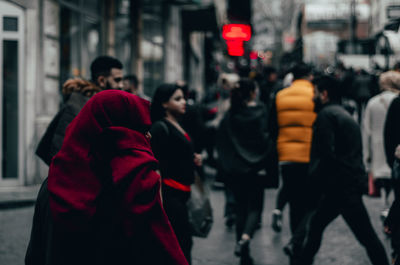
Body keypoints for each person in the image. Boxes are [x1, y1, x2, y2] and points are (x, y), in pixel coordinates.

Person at [26, 90, 188, 265]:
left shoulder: (53, 182)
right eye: (141, 129)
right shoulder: (133, 184)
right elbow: (157, 250)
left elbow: (36, 252)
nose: (148, 136)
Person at [295, 75, 389, 265]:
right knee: (316, 227)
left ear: (324, 94)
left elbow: (327, 155)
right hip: (344, 186)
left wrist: (316, 182)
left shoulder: (326, 117)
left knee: (366, 236)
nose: (312, 97)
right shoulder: (343, 114)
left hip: (342, 188)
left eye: (315, 93)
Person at [216, 79, 275, 265]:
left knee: (240, 208)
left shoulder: (231, 114)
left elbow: (221, 140)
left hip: (236, 169)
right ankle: (246, 239)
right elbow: (269, 137)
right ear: (253, 93)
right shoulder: (261, 112)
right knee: (256, 207)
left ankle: (243, 250)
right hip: (257, 169)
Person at [36, 56, 124, 166]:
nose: (121, 86)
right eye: (117, 80)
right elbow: (59, 150)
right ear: (101, 80)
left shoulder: (103, 105)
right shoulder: (79, 105)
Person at [150, 84, 202, 264]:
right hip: (170, 195)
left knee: (183, 242)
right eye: (177, 99)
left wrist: (193, 158)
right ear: (164, 103)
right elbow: (154, 162)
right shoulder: (159, 128)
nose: (184, 102)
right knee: (180, 244)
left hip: (182, 193)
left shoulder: (178, 124)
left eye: (183, 98)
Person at [269, 63, 316, 252]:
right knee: (311, 201)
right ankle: (298, 241)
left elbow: (272, 126)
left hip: (287, 156)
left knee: (294, 202)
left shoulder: (280, 96)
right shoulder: (315, 94)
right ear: (309, 76)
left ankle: (295, 237)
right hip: (310, 157)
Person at [363, 71, 400, 216]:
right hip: (396, 148)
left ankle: (386, 206)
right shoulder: (397, 99)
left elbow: (367, 129)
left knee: (384, 181)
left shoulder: (373, 102)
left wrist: (367, 156)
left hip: (378, 146)